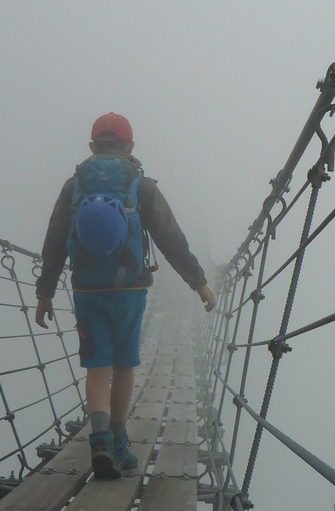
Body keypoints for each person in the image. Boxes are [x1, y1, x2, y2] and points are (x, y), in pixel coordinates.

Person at [35, 111, 216, 479]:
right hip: (130, 289)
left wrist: (45, 293)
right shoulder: (142, 184)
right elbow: (170, 238)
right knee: (124, 366)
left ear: (91, 147)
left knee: (97, 367)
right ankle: (120, 443)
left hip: (87, 288)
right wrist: (198, 282)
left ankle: (98, 440)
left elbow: (55, 241)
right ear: (130, 146)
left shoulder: (74, 186)